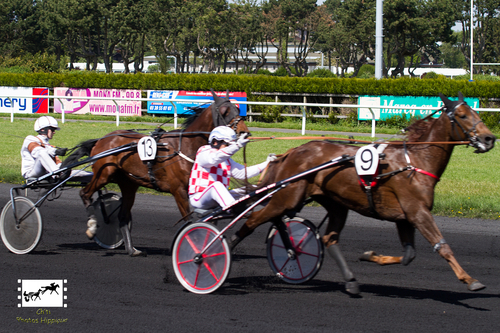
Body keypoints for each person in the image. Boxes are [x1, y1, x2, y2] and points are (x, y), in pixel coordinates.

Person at [189, 126, 276, 212]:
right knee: (217, 185)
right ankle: (234, 209)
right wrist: (237, 146)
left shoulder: (227, 160)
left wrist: (267, 163)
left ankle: (275, 210)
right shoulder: (204, 152)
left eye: (231, 145)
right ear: (215, 142)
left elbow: (243, 173)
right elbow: (214, 158)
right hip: (199, 198)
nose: (230, 148)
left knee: (254, 189)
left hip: (219, 197)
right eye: (227, 145)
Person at [21, 116, 92, 181]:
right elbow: (37, 152)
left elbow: (57, 163)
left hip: (50, 172)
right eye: (52, 129)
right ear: (43, 129)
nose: (54, 132)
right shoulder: (30, 139)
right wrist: (56, 151)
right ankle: (59, 174)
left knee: (90, 175)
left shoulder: (49, 145)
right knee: (42, 154)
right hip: (31, 172)